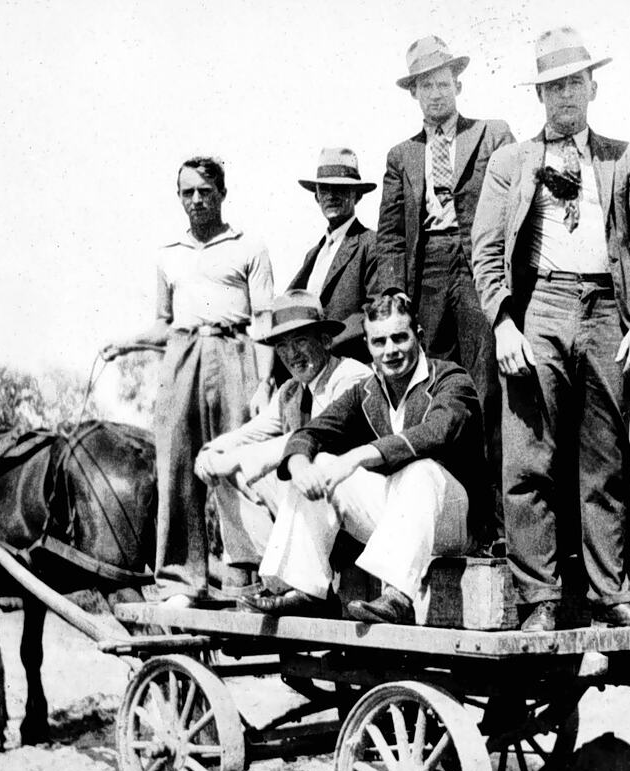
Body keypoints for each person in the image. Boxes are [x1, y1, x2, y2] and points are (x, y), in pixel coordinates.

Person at [470, 27, 630, 631]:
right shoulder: (510, 163)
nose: (565, 97)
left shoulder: (623, 158)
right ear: (540, 96)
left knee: (604, 459)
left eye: (574, 84)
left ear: (593, 87)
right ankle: (541, 601)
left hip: (608, 309)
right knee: (529, 461)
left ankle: (615, 595)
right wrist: (504, 322)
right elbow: (483, 251)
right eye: (553, 87)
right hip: (540, 308)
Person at [240, 294, 486, 625]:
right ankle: (302, 588)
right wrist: (299, 465)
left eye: (400, 337)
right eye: (379, 341)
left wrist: (358, 456)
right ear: (368, 346)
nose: (391, 350)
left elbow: (438, 431)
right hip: (398, 518)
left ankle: (398, 596)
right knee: (321, 464)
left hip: (452, 521)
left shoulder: (450, 379)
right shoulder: (367, 391)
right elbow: (311, 433)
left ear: (419, 335)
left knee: (421, 470)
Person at [103, 155, 274, 587]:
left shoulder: (249, 246)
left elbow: (265, 321)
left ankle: (247, 572)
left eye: (204, 191)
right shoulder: (168, 255)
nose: (196, 200)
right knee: (177, 463)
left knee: (236, 461)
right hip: (182, 357)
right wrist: (125, 343)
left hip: (234, 353)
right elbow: (163, 323)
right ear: (178, 197)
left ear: (222, 194)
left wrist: (265, 381)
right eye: (187, 193)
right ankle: (182, 578)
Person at [376, 34, 514, 548]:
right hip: (425, 273)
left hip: (480, 266)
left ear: (457, 83)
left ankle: (497, 528)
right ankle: (442, 523)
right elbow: (390, 235)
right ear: (413, 94)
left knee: (487, 391)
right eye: (423, 87)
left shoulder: (493, 134)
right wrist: (393, 297)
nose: (434, 94)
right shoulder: (402, 155)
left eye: (440, 83)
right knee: (434, 395)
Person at [193, 290, 373, 572]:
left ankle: (301, 579)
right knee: (228, 471)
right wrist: (212, 451)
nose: (292, 355)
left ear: (325, 340)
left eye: (300, 341)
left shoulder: (351, 376)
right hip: (314, 513)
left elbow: (316, 438)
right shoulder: (290, 391)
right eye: (282, 346)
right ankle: (271, 575)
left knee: (295, 464)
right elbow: (251, 432)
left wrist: (239, 457)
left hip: (357, 514)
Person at [287, 148, 379, 364]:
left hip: (352, 362)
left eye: (340, 188)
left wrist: (327, 343)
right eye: (324, 189)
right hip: (310, 366)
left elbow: (375, 309)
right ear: (316, 197)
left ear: (357, 195)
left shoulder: (370, 243)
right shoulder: (314, 254)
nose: (331, 195)